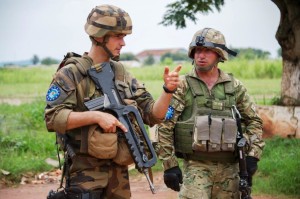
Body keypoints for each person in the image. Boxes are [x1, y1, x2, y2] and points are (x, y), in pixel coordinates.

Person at [44, 4, 181, 199]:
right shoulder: (71, 73)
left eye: (124, 37)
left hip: (118, 174)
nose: (123, 43)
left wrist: (168, 90)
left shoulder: (120, 72)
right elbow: (52, 118)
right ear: (100, 36)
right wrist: (96, 116)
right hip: (85, 174)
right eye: (118, 36)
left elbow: (153, 114)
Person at [155, 27, 265, 198]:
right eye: (197, 50)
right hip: (196, 167)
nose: (201, 55)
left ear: (219, 55)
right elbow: (165, 125)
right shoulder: (182, 86)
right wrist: (170, 165)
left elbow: (254, 121)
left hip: (231, 168)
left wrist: (253, 156)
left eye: (207, 51)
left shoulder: (234, 86)